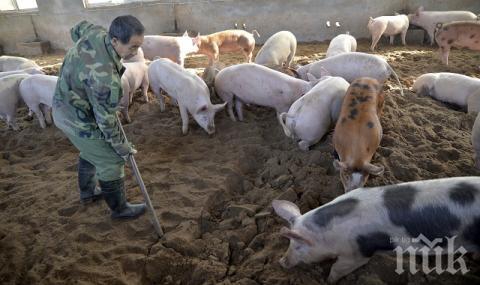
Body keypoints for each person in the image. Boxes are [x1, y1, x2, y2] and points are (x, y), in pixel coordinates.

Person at [52, 15, 146, 219]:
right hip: (75, 118)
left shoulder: (94, 31)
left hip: (65, 104)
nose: (136, 52)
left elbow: (76, 28)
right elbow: (106, 122)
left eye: (139, 46)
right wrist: (123, 149)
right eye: (132, 47)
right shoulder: (105, 79)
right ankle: (120, 210)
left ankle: (88, 193)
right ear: (114, 40)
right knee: (111, 160)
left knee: (92, 151)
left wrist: (80, 58)